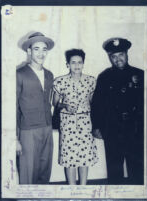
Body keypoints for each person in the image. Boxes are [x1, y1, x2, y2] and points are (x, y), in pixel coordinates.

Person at [91, 38, 144, 184]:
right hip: (112, 128)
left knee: (137, 167)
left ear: (127, 54)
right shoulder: (104, 77)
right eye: (113, 56)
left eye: (121, 54)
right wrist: (96, 126)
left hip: (135, 128)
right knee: (114, 168)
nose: (118, 59)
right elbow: (97, 104)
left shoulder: (140, 75)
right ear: (110, 57)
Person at [53, 49, 98, 185]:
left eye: (79, 62)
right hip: (67, 123)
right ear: (68, 64)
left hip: (85, 123)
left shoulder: (91, 81)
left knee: (84, 158)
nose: (77, 65)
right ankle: (72, 190)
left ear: (83, 63)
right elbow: (54, 103)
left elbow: (92, 102)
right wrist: (65, 105)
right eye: (73, 62)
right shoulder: (59, 81)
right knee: (70, 159)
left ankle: (83, 189)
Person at [16, 32, 54, 184]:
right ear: (29, 51)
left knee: (45, 172)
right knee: (28, 173)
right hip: (28, 131)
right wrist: (14, 138)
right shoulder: (19, 74)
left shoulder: (49, 75)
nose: (41, 53)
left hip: (47, 128)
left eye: (44, 49)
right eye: (36, 49)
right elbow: (11, 108)